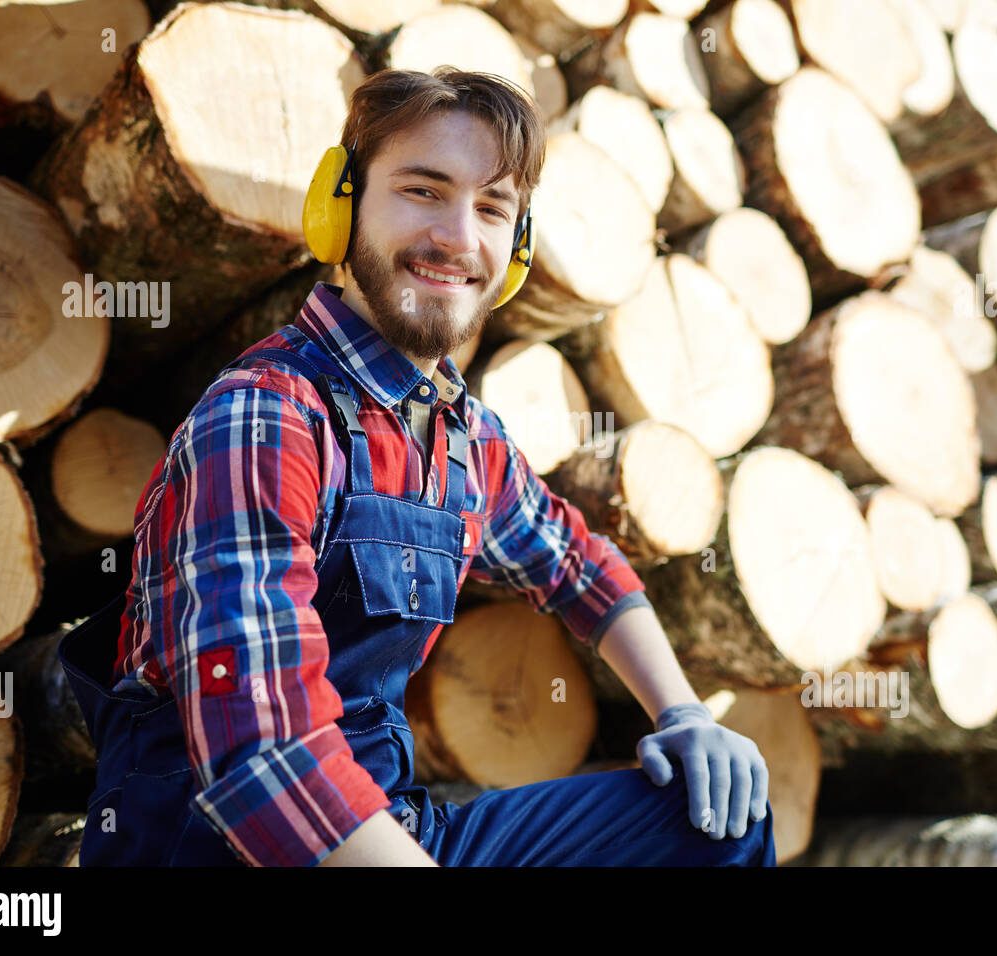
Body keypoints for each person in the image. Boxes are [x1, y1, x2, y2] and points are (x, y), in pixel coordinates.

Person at [59, 66, 776, 867]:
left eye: (492, 208)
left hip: (390, 833)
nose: (458, 238)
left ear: (518, 248)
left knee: (717, 819)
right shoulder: (266, 416)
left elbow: (580, 566)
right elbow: (265, 753)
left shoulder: (462, 439)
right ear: (341, 206)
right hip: (222, 848)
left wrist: (682, 715)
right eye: (423, 191)